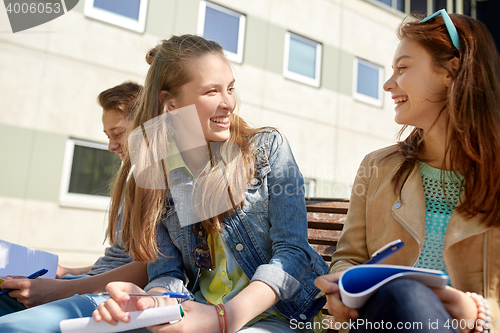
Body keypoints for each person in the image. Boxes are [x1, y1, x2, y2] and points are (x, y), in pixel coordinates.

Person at [89, 34, 328, 333]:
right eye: (212, 91)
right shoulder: (158, 174)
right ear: (171, 105)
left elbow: (293, 253)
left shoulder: (268, 148)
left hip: (279, 316)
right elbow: (166, 275)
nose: (228, 102)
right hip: (200, 311)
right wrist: (151, 302)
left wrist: (223, 318)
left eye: (229, 88)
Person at [315, 10, 500, 333]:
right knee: (404, 296)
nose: (388, 84)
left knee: (409, 296)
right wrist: (342, 289)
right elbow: (349, 258)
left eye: (402, 68)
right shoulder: (377, 167)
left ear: (451, 70)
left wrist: (475, 311)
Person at [0, 82, 149, 330]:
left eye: (118, 133)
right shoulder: (132, 180)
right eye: (108, 136)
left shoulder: (162, 184)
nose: (111, 145)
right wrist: (64, 271)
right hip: (87, 282)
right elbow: (119, 260)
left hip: (109, 294)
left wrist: (61, 288)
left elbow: (149, 267)